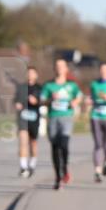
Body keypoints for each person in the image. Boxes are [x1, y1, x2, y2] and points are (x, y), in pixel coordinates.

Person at [40, 58, 83, 190]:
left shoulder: (71, 85)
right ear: (54, 69)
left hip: (66, 117)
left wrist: (75, 102)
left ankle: (64, 167)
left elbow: (79, 96)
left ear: (66, 69)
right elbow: (41, 101)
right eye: (57, 66)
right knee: (54, 147)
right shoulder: (48, 85)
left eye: (62, 66)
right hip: (53, 117)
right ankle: (57, 177)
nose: (59, 68)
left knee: (64, 144)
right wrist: (50, 99)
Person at [14, 66, 42, 177]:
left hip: (34, 118)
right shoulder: (21, 87)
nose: (30, 75)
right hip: (23, 117)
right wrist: (17, 104)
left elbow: (44, 100)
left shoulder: (40, 88)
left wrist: (36, 101)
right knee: (23, 141)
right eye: (28, 73)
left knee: (33, 143)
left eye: (32, 73)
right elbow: (16, 99)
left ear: (36, 75)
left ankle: (32, 164)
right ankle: (23, 167)